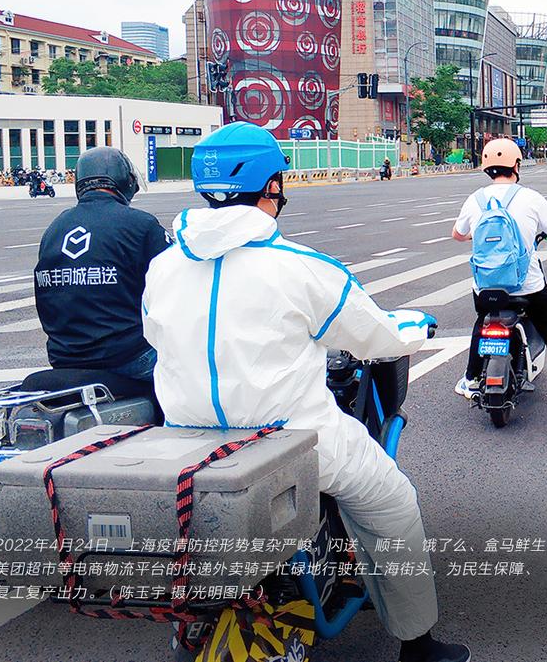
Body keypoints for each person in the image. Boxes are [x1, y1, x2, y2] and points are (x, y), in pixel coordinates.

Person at [143, 122, 470, 662]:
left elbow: (156, 338)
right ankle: (418, 644)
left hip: (189, 443)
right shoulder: (301, 268)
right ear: (271, 185)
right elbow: (375, 336)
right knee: (392, 502)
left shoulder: (162, 268)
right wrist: (413, 327)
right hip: (294, 439)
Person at [451, 138, 547, 406]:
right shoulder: (530, 197)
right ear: (516, 165)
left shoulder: (475, 200)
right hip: (527, 287)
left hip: (486, 287)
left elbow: (457, 235)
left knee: (482, 322)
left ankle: (470, 378)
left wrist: (476, 233)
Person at [34, 146, 172, 381]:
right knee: (196, 372)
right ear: (124, 180)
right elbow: (177, 282)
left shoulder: (54, 229)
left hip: (64, 358)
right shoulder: (141, 225)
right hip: (127, 357)